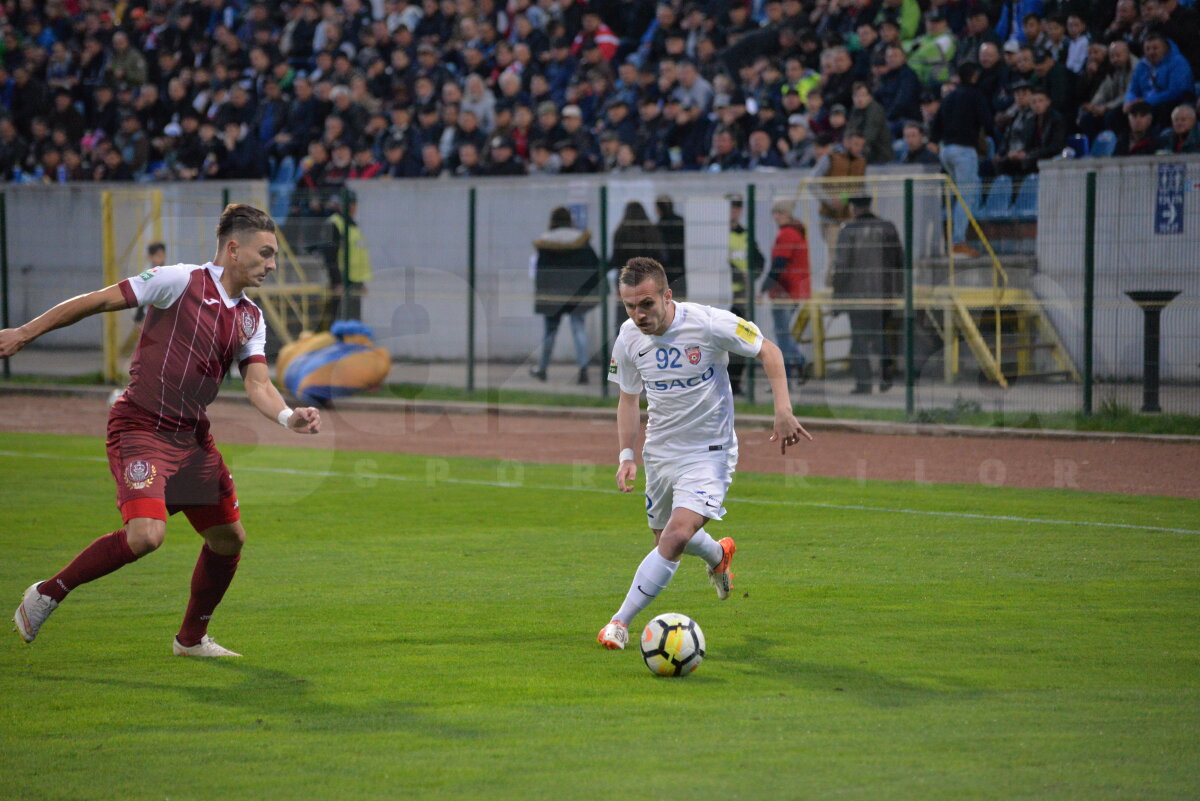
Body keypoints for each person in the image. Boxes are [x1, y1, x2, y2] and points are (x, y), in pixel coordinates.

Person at [3, 204, 321, 657]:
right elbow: (96, 300)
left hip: (191, 438)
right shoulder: (179, 281)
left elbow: (258, 383)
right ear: (233, 249)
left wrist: (290, 417)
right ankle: (49, 592)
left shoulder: (251, 316)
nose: (272, 265)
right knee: (146, 536)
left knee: (229, 539)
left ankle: (190, 640)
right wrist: (24, 332)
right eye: (265, 253)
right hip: (141, 428)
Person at [596, 257, 811, 650]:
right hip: (660, 452)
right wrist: (627, 454)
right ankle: (718, 554)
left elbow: (770, 350)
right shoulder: (628, 338)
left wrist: (783, 409)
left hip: (708, 450)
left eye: (646, 304)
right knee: (665, 535)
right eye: (630, 306)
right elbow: (628, 400)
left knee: (675, 536)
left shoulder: (709, 323)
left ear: (667, 295)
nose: (639, 314)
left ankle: (618, 623)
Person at [828, 196, 904, 395]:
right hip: (884, 294)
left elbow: (842, 267)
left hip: (858, 296)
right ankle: (886, 376)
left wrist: (837, 297)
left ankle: (864, 383)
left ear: (853, 208)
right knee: (880, 334)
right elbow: (899, 261)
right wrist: (898, 292)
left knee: (860, 339)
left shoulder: (848, 230)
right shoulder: (888, 227)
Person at [530, 206, 601, 384]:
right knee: (578, 330)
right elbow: (593, 265)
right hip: (576, 294)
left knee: (549, 333)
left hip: (552, 296)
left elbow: (540, 272)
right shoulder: (580, 239)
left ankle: (542, 369)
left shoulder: (545, 242)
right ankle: (583, 370)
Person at [931, 62, 994, 257]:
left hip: (946, 150)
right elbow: (988, 123)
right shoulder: (975, 96)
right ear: (974, 77)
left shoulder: (949, 97)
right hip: (964, 151)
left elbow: (935, 125)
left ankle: (952, 240)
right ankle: (958, 242)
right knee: (966, 197)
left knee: (958, 197)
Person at [761, 198, 811, 387]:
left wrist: (763, 288)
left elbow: (778, 265)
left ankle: (797, 363)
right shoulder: (797, 232)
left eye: (780, 213)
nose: (776, 217)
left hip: (785, 292)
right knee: (783, 333)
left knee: (781, 334)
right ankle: (788, 377)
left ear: (788, 214)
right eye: (774, 213)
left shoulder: (787, 234)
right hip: (795, 291)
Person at [726, 193, 763, 395]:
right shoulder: (716, 234)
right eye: (731, 206)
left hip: (740, 298)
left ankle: (736, 383)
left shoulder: (746, 235)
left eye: (738, 207)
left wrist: (748, 278)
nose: (734, 211)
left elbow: (759, 261)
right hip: (719, 298)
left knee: (739, 341)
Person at [611, 201, 666, 335]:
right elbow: (661, 257)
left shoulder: (621, 231)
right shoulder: (652, 232)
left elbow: (615, 259)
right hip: (648, 282)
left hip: (626, 282)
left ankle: (625, 352)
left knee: (624, 319)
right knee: (649, 317)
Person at [325, 191, 374, 323]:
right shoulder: (335, 224)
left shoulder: (353, 226)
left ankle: (353, 342)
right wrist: (336, 282)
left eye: (354, 204)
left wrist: (361, 282)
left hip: (355, 281)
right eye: (349, 204)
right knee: (340, 317)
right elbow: (330, 256)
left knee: (354, 318)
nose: (352, 207)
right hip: (342, 280)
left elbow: (357, 254)